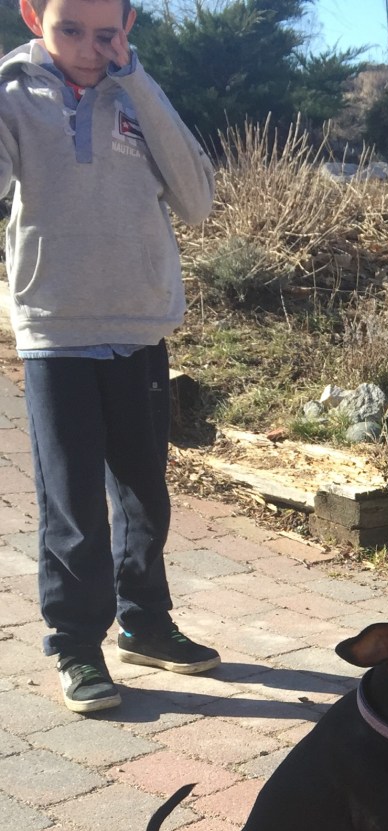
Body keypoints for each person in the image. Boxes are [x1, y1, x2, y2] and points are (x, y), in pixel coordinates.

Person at [0, 0, 218, 714]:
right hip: (55, 333)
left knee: (144, 495)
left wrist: (139, 86)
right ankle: (74, 643)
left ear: (128, 28)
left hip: (139, 327)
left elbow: (197, 198)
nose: (89, 49)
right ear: (33, 16)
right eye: (69, 30)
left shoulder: (139, 97)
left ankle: (144, 623)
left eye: (106, 34)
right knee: (72, 506)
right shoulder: (12, 95)